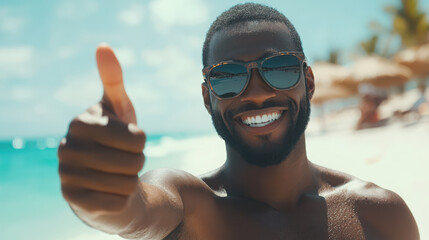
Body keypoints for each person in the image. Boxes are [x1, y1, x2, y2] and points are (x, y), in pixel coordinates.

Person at [58, 3, 419, 239]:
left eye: (278, 69)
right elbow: (137, 210)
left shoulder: (380, 216)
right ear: (207, 97)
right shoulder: (195, 211)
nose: (257, 93)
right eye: (228, 77)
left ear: (307, 82)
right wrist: (99, 196)